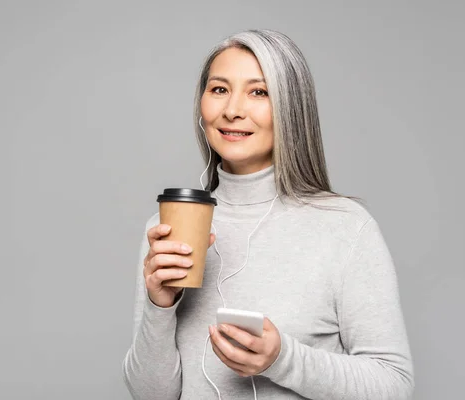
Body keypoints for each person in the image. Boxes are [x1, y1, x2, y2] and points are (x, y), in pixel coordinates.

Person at [122, 29, 414, 400]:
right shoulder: (167, 227)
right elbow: (151, 395)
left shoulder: (346, 227)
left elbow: (394, 385)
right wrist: (159, 306)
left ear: (292, 109)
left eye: (258, 92)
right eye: (219, 89)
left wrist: (282, 359)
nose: (232, 110)